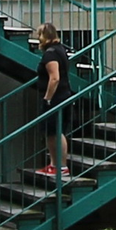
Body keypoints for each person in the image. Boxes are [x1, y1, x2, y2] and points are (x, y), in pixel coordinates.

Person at [33, 23, 71, 178]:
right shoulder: (60, 49)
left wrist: (47, 98)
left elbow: (54, 78)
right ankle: (55, 165)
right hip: (63, 94)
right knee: (52, 131)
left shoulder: (50, 54)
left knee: (55, 131)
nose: (38, 39)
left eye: (39, 35)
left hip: (56, 97)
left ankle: (60, 166)